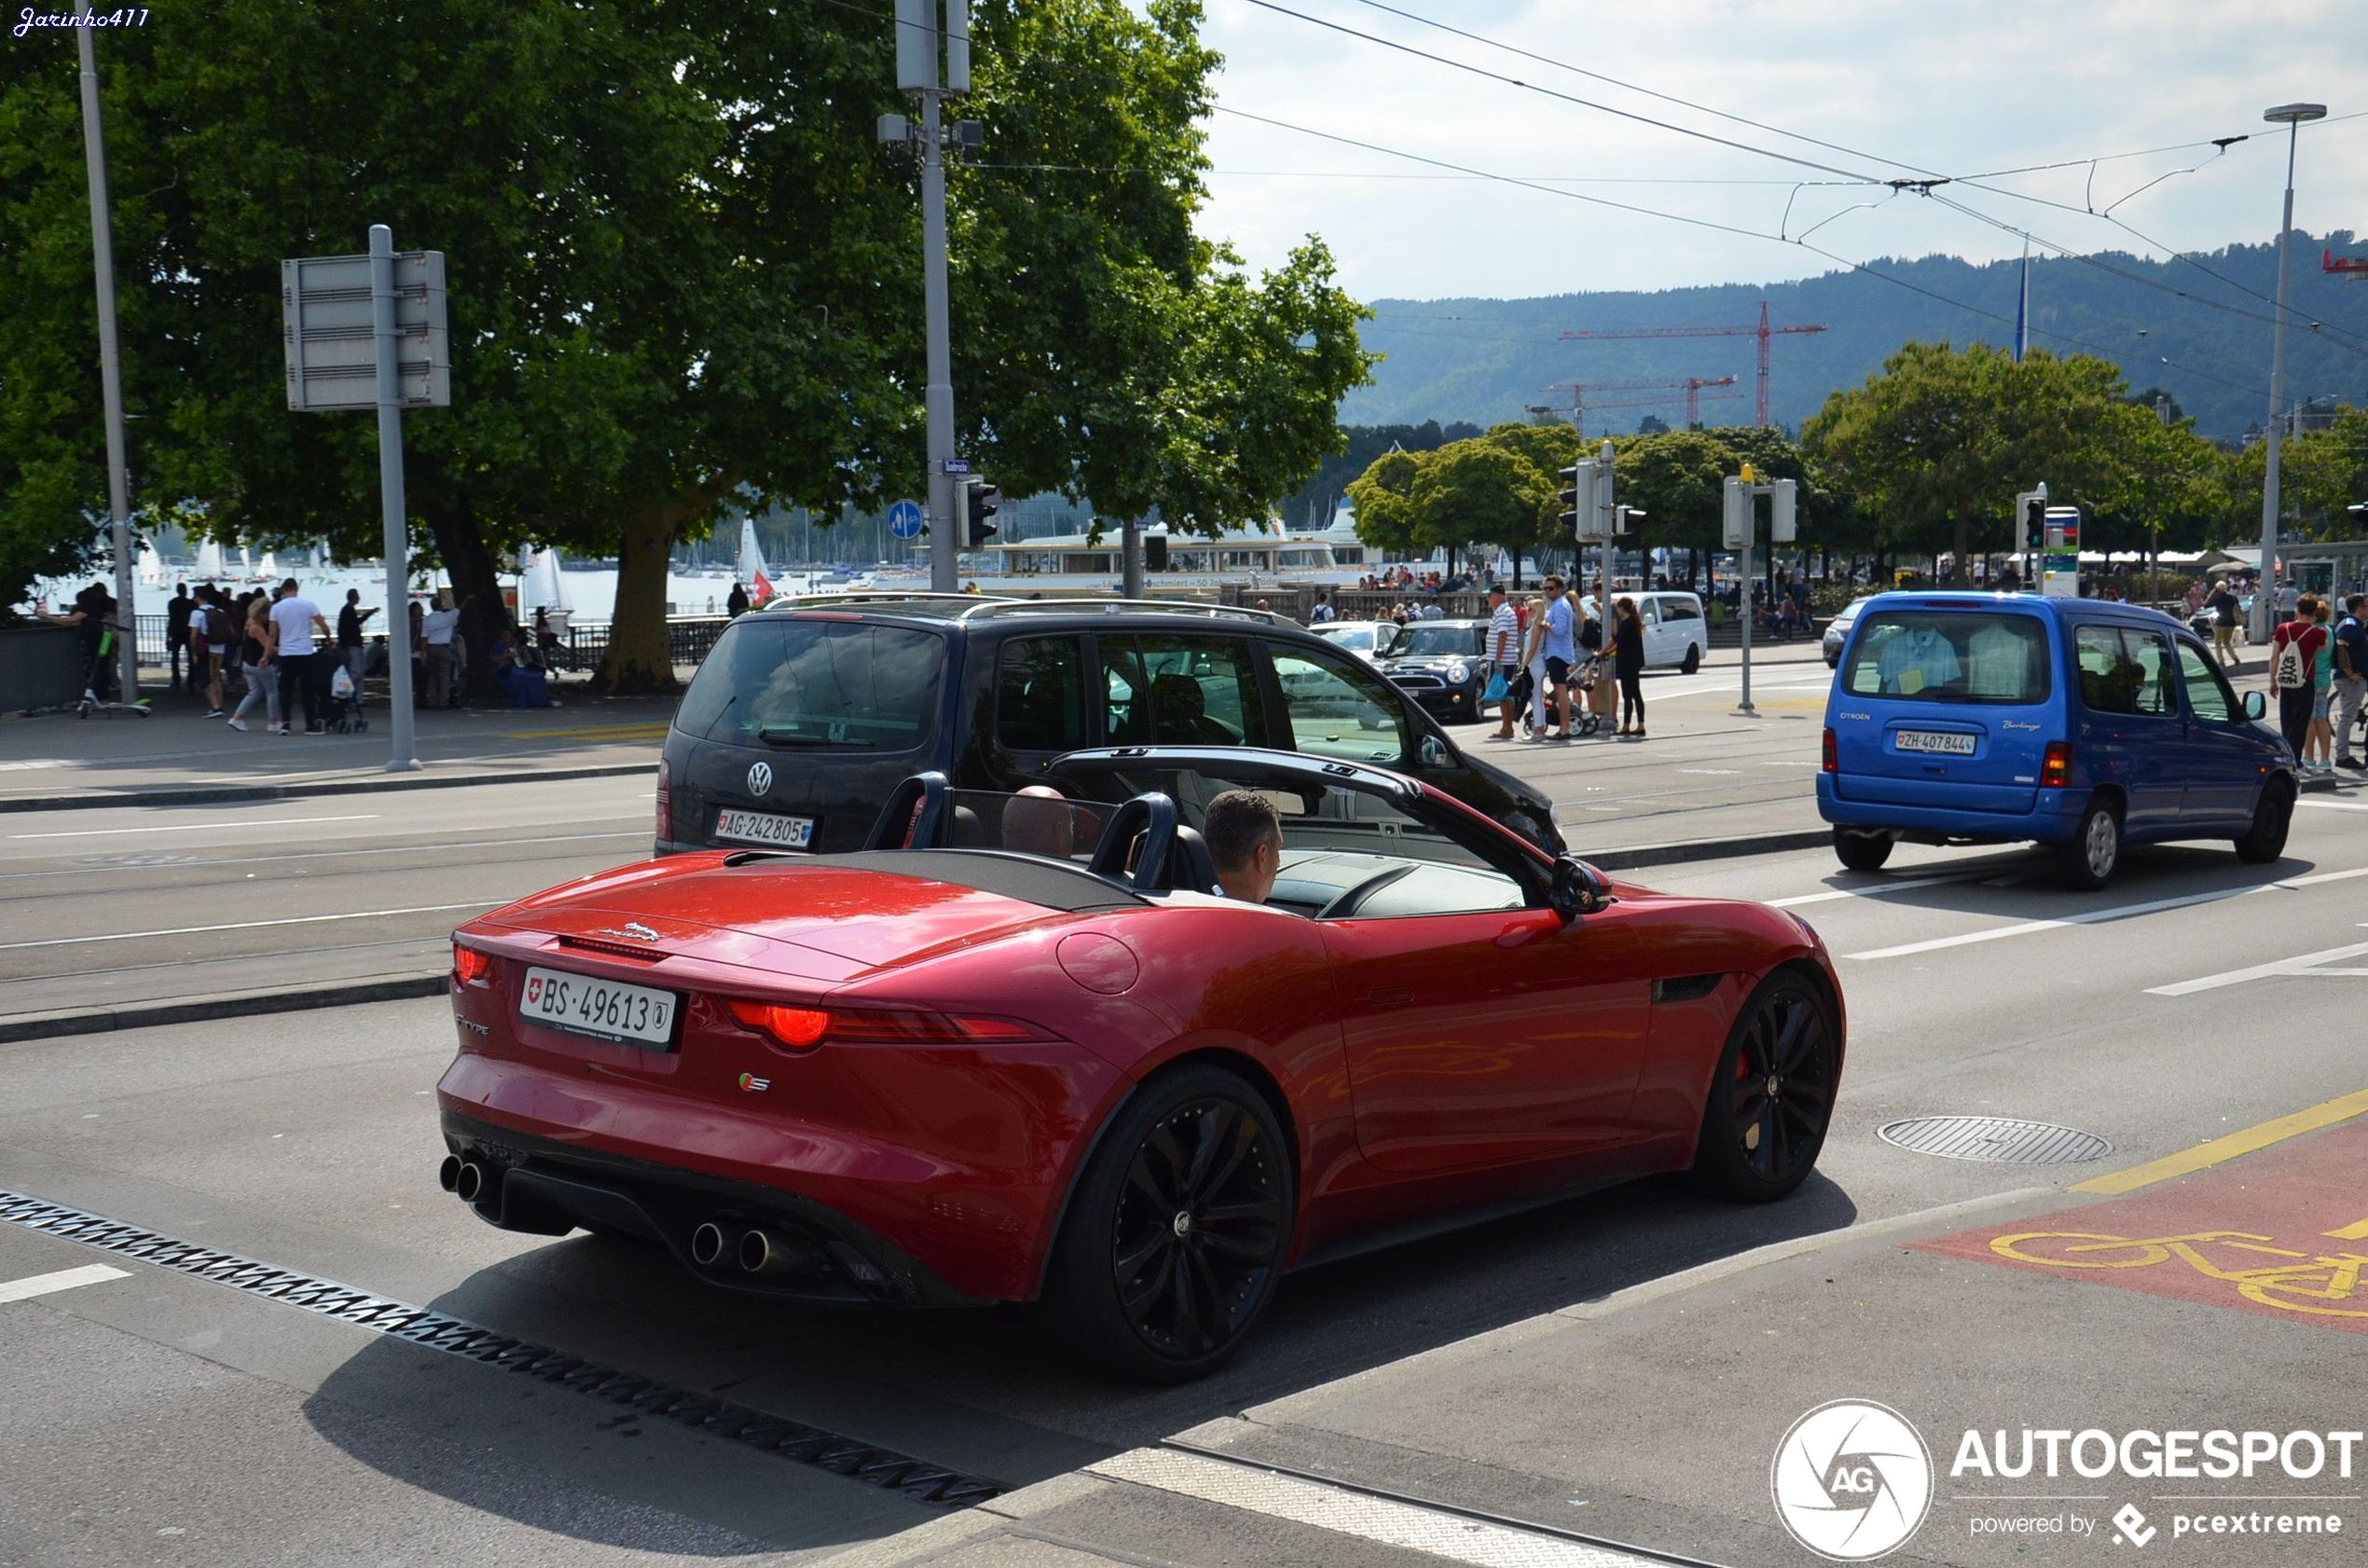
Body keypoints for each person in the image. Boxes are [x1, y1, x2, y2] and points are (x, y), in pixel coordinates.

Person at [268, 577, 331, 736]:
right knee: (308, 690)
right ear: (297, 589)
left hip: (286, 653)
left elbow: (272, 633)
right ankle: (310, 725)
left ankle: (286, 723)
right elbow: (323, 624)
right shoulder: (308, 604)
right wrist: (329, 638)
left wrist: (266, 653)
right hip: (305, 652)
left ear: (283, 590)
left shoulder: (276, 608)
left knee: (285, 690)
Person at [2268, 594, 2327, 763]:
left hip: (2286, 681)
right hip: (2305, 681)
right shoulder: (2317, 632)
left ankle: (2285, 754)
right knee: (2300, 723)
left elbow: (2274, 657)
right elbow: (2323, 649)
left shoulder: (2283, 628)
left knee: (2286, 721)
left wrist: (2273, 681)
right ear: (2314, 611)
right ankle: (2294, 759)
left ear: (2297, 610)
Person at [40, 582, 120, 703]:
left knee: (96, 670)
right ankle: (103, 698)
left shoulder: (88, 609)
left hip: (94, 642)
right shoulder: (98, 611)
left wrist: (48, 616)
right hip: (103, 641)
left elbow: (71, 620)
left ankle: (98, 697)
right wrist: (51, 618)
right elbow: (71, 622)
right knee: (101, 668)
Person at [1204, 789, 1283, 904]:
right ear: (1263, 857)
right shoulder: (1262, 921)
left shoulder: (1178, 905)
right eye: (1277, 850)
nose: (1279, 861)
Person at [225, 595, 281, 733]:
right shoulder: (257, 628)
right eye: (268, 614)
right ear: (262, 614)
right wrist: (287, 649)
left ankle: (237, 718)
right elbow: (269, 647)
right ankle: (273, 722)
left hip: (248, 664)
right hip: (260, 664)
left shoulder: (249, 622)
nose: (270, 617)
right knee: (272, 692)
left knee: (254, 692)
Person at [1536, 575, 1577, 740]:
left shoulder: (1560, 606)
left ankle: (1564, 729)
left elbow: (1559, 630)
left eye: (1551, 588)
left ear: (1560, 589)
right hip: (1556, 652)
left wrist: (1543, 624)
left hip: (1558, 653)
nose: (1547, 591)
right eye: (1545, 588)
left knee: (1561, 691)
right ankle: (1563, 727)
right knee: (1560, 690)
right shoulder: (1556, 605)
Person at [2303, 597, 2337, 775]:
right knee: (2321, 719)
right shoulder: (2329, 631)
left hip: (2312, 680)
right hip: (2324, 680)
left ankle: (2309, 757)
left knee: (2309, 720)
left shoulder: (2313, 632)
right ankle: (2325, 759)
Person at [2335, 595, 2367, 772]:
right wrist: (2349, 673)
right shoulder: (2350, 624)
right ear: (2359, 608)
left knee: (2348, 716)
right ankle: (2342, 756)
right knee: (2347, 718)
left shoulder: (2356, 625)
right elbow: (2341, 645)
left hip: (2357, 678)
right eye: (2367, 606)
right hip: (2351, 681)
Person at [1484, 585, 1521, 741]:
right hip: (1503, 659)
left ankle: (1508, 728)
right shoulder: (1502, 612)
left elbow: (1502, 635)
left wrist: (1498, 660)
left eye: (1490, 596)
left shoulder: (1503, 613)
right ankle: (1506, 727)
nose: (1488, 599)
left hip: (1502, 660)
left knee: (1504, 694)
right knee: (1503, 694)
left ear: (1499, 596)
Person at [1002, 785, 1075, 860]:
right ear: (1059, 831)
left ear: (1004, 832)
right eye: (1071, 826)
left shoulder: (992, 867)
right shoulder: (1076, 869)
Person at [420, 593, 467, 708]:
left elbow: (424, 638)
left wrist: (423, 654)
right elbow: (459, 608)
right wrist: (467, 599)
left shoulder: (427, 619)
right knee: (444, 676)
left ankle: (432, 701)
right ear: (441, 606)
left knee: (432, 676)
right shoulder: (448, 617)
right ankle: (443, 702)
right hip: (445, 648)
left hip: (431, 648)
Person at [1611, 596, 1648, 738]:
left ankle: (1626, 725)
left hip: (1627, 662)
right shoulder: (1634, 622)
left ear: (1622, 608)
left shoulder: (1627, 623)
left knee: (1628, 695)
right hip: (1634, 662)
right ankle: (1640, 724)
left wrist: (1603, 652)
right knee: (1636, 694)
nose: (1618, 611)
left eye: (1618, 608)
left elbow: (1616, 640)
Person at [337, 589, 377, 699]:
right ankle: (345, 692)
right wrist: (345, 645)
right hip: (352, 644)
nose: (359, 598)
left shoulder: (348, 610)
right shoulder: (347, 610)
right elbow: (352, 625)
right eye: (357, 596)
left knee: (359, 672)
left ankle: (358, 698)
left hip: (355, 644)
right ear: (354, 597)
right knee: (356, 672)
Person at [2207, 579, 2241, 667]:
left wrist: (2211, 594)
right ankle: (2235, 658)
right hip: (2232, 623)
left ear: (2217, 589)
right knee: (2227, 642)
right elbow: (2238, 607)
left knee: (2218, 642)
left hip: (2221, 622)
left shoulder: (2218, 598)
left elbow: (2206, 605)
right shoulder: (2232, 597)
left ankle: (2221, 661)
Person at [165, 583, 192, 690]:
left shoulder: (172, 603)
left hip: (176, 631)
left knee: (175, 657)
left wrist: (169, 634)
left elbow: (171, 618)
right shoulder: (191, 603)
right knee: (190, 656)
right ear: (186, 591)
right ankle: (191, 678)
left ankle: (176, 679)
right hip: (188, 631)